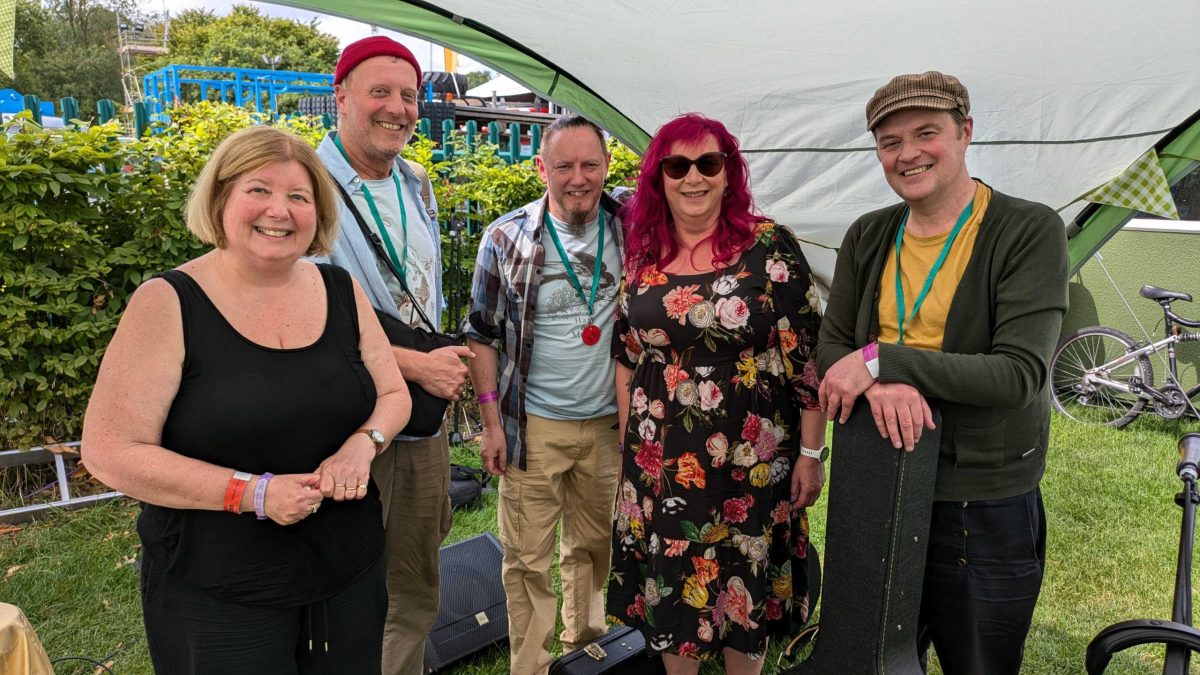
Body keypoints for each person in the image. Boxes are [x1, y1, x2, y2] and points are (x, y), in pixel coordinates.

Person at [81, 125, 411, 674]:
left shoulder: (340, 288)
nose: (279, 211)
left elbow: (393, 393)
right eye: (259, 190)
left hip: (348, 568)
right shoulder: (167, 302)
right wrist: (251, 493)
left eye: (299, 197)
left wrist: (364, 444)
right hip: (220, 585)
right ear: (221, 198)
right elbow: (109, 450)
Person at [815, 71, 1069, 674]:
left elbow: (1017, 375)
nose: (908, 154)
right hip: (878, 479)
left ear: (965, 134)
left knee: (977, 661)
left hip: (977, 501)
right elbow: (831, 347)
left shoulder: (1027, 230)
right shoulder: (870, 234)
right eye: (889, 142)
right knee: (872, 657)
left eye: (926, 133)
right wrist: (883, 381)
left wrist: (881, 360)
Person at [607, 113, 826, 675]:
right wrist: (633, 448)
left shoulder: (769, 246)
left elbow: (808, 362)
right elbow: (627, 354)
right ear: (659, 178)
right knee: (674, 587)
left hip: (749, 460)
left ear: (729, 173)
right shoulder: (643, 252)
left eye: (708, 163)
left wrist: (809, 453)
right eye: (677, 166)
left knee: (741, 581)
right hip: (661, 463)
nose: (693, 178)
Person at [314, 36, 472, 674]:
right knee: (340, 587)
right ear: (342, 96)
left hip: (417, 421)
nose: (398, 108)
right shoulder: (305, 185)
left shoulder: (417, 182)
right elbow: (304, 315)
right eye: (380, 91)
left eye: (409, 95)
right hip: (340, 425)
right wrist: (419, 365)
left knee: (414, 582)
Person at [463, 114, 624, 675]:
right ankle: (530, 667)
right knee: (526, 559)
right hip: (533, 425)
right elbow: (479, 333)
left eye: (590, 165)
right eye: (564, 166)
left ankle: (587, 659)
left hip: (609, 424)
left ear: (608, 167)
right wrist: (489, 425)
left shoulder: (633, 227)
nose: (578, 178)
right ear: (541, 168)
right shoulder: (505, 237)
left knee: (594, 549)